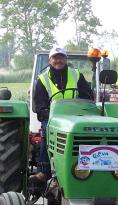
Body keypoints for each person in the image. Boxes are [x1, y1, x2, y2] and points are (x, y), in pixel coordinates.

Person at [31, 46, 93, 183]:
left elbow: (88, 95)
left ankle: (87, 166)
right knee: (47, 134)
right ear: (50, 60)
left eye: (61, 57)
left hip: (76, 116)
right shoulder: (42, 79)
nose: (58, 60)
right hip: (52, 117)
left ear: (66, 59)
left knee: (88, 132)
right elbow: (40, 105)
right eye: (55, 58)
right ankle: (44, 171)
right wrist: (50, 114)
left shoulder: (76, 74)